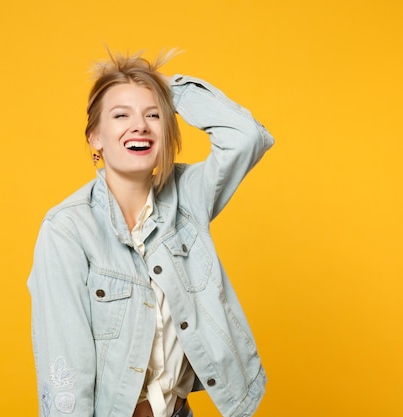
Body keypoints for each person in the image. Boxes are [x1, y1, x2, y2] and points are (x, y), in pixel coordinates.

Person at [28, 50, 274, 417]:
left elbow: (246, 137)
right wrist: (147, 95)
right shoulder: (67, 230)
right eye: (121, 115)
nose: (140, 125)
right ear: (96, 137)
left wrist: (165, 89)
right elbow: (66, 361)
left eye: (153, 115)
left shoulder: (188, 197)